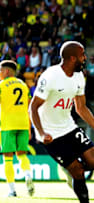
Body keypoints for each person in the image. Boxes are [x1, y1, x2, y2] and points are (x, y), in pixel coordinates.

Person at [29, 41, 94, 203]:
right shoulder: (50, 76)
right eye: (82, 55)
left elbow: (81, 108)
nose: (85, 58)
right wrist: (41, 132)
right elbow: (33, 107)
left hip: (69, 127)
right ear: (72, 58)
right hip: (51, 133)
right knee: (78, 172)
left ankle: (69, 169)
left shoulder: (78, 77)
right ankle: (75, 177)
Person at [0, 60, 34, 197]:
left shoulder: (2, 85)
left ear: (7, 71)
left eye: (1, 70)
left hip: (8, 125)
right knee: (22, 155)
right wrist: (30, 128)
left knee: (8, 158)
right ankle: (28, 176)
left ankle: (12, 190)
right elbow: (29, 106)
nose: (0, 73)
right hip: (23, 124)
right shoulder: (24, 85)